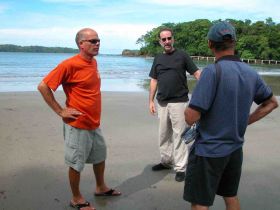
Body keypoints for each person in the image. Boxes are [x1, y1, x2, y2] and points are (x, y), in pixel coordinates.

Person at [183, 21, 278, 210]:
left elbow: (191, 117)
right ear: (234, 42)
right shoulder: (251, 73)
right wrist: (244, 121)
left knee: (200, 203)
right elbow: (271, 103)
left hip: (209, 150)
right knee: (230, 196)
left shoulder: (211, 72)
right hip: (235, 149)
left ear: (210, 44)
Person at [38, 28, 121, 210]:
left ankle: (100, 187)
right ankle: (76, 198)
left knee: (100, 156)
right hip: (77, 124)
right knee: (76, 163)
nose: (97, 43)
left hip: (93, 123)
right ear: (80, 44)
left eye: (98, 40)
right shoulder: (69, 65)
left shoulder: (93, 62)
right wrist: (60, 111)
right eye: (92, 41)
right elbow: (43, 86)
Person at [149, 27, 201, 182]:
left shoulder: (182, 55)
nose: (167, 41)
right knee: (163, 135)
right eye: (163, 39)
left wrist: (210, 84)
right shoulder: (158, 58)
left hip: (179, 102)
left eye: (169, 38)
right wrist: (150, 101)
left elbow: (196, 73)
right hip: (162, 103)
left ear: (173, 39)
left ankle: (180, 167)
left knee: (179, 135)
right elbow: (154, 80)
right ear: (160, 42)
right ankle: (166, 161)